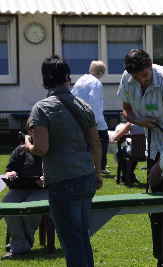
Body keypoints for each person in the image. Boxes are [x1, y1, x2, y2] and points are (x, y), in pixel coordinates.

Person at [25, 55, 102, 267]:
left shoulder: (41, 109)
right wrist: (97, 173)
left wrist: (27, 144)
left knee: (71, 241)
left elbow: (42, 148)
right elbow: (95, 143)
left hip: (62, 181)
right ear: (68, 77)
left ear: (45, 79)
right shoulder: (83, 106)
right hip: (86, 177)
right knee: (82, 237)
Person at [117, 49, 163, 267]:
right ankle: (161, 259)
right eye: (137, 77)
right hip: (154, 145)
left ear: (151, 66)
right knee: (156, 209)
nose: (141, 80)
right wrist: (140, 122)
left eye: (145, 75)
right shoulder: (127, 79)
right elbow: (126, 111)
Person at [1, 130, 47, 260]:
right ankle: (22, 245)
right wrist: (11, 172)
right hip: (20, 188)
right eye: (32, 130)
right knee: (7, 205)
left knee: (31, 208)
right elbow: (10, 168)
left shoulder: (51, 147)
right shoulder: (20, 150)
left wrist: (47, 178)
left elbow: (59, 169)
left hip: (43, 189)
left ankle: (19, 247)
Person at [71, 60, 110, 174]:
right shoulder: (96, 83)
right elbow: (95, 102)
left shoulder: (81, 80)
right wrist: (96, 121)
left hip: (78, 116)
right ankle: (101, 166)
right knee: (103, 140)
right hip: (92, 117)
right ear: (101, 72)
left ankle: (87, 164)